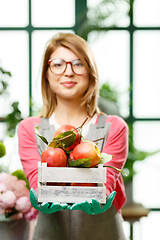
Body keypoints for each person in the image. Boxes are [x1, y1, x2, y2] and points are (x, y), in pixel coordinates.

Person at [18, 32, 128, 240]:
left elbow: (107, 182)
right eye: (58, 64)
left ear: (90, 72)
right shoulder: (29, 129)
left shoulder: (114, 127)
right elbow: (36, 180)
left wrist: (101, 195)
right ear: (46, 74)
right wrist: (40, 196)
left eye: (78, 64)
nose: (68, 72)